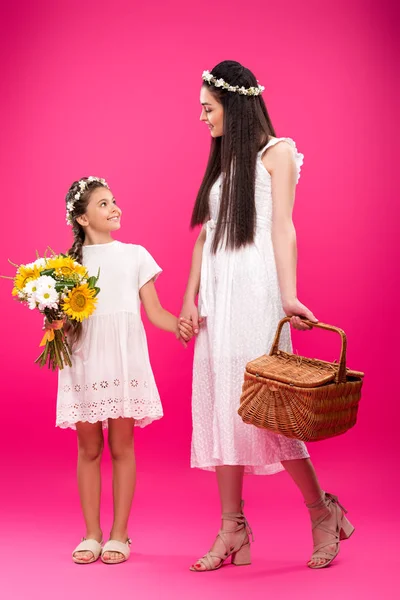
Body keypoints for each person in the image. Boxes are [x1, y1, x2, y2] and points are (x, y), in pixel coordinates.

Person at [180, 61, 354, 571]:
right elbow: (207, 236)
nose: (202, 118)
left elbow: (284, 227)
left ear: (233, 105)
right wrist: (190, 299)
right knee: (224, 406)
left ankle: (322, 511)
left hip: (253, 291)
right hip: (217, 295)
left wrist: (288, 295)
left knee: (270, 406)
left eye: (207, 108)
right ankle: (231, 527)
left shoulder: (278, 152)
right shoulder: (222, 163)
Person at [56, 176, 192, 564]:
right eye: (103, 204)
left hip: (123, 357)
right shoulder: (69, 266)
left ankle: (119, 533)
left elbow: (155, 312)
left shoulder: (135, 255)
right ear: (82, 218)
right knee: (88, 448)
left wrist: (179, 324)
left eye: (114, 201)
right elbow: (65, 320)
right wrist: (51, 318)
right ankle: (91, 533)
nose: (115, 208)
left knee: (121, 446)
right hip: (84, 360)